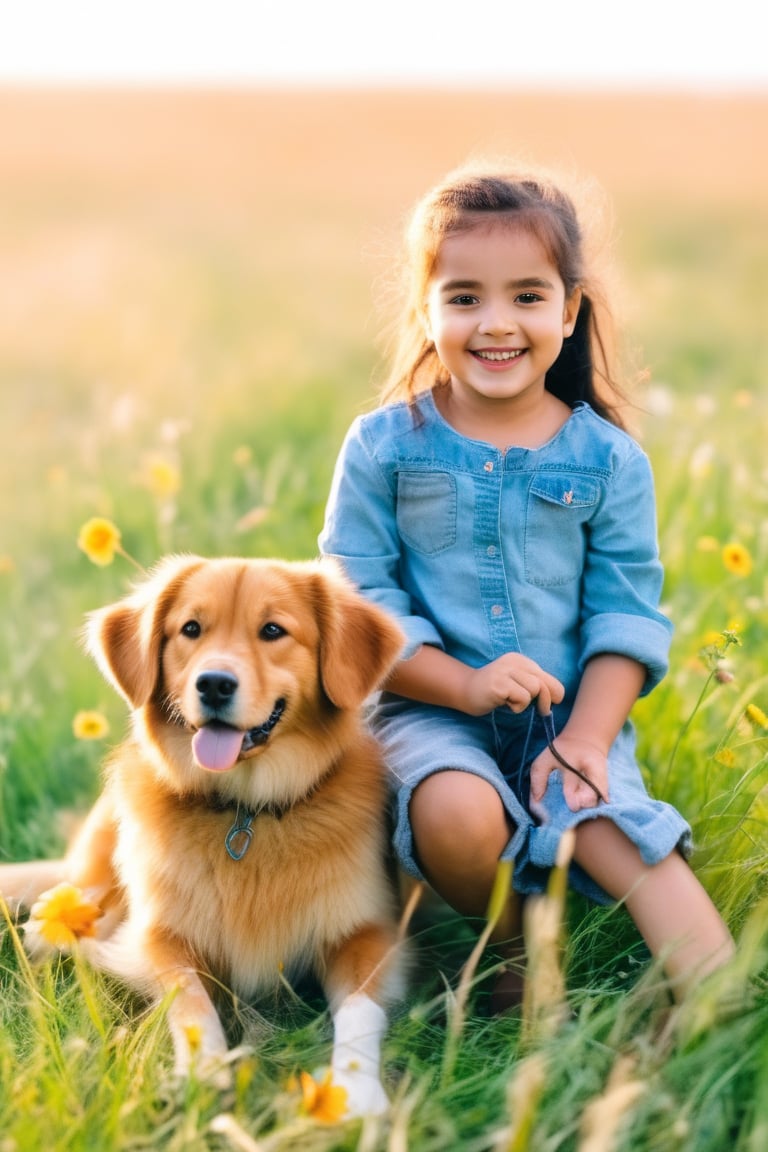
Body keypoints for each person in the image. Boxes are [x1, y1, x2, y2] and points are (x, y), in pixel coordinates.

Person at [318, 162, 734, 1004]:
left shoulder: (608, 459)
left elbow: (624, 617)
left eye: (528, 297)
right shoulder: (382, 448)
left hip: (571, 715)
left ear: (570, 310)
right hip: (428, 712)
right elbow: (360, 609)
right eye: (464, 297)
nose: (495, 323)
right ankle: (510, 960)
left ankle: (713, 1004)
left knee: (616, 829)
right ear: (425, 312)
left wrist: (584, 742)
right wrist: (466, 685)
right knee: (456, 814)